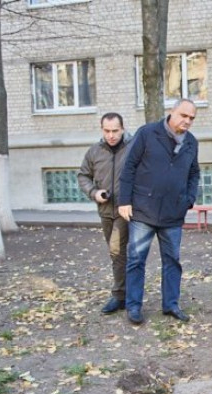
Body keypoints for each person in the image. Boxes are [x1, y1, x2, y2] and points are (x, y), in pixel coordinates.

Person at [118, 99, 200, 325]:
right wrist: (124, 200)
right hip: (143, 210)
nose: (187, 121)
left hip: (173, 214)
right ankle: (134, 306)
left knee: (172, 260)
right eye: (183, 115)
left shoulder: (191, 143)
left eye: (192, 118)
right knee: (136, 259)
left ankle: (171, 304)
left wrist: (188, 200)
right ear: (171, 112)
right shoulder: (147, 133)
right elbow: (129, 168)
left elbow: (194, 174)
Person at [78, 112, 133, 314]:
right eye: (107, 131)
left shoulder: (132, 147)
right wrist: (94, 192)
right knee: (116, 254)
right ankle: (125, 295)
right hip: (105, 210)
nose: (111, 135)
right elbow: (83, 175)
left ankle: (121, 296)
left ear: (123, 129)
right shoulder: (94, 151)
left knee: (117, 250)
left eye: (115, 131)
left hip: (126, 210)